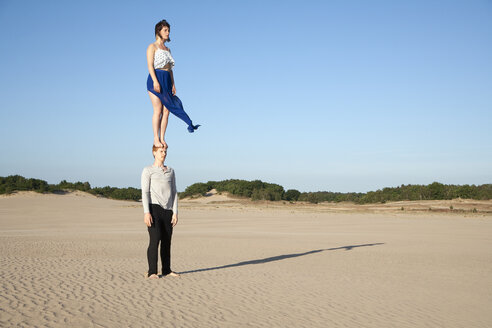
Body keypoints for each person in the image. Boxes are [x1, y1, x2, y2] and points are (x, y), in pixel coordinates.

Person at [146, 19, 199, 148]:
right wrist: (155, 81)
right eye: (165, 30)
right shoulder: (152, 47)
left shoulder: (168, 49)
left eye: (168, 30)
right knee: (158, 110)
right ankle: (155, 138)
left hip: (167, 80)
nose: (168, 32)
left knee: (167, 111)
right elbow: (149, 66)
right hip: (155, 78)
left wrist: (173, 84)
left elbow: (170, 69)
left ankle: (162, 138)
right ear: (159, 31)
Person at [141, 144, 180, 279]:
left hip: (168, 210)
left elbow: (174, 192)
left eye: (165, 151)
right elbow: (145, 192)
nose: (164, 153)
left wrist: (175, 212)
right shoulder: (148, 170)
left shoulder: (171, 171)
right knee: (155, 239)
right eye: (161, 151)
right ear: (154, 153)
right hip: (154, 208)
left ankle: (167, 270)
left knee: (166, 241)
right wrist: (147, 212)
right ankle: (152, 271)